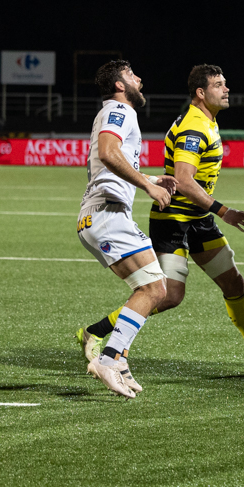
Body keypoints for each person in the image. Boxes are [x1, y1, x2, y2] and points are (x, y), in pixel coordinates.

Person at [77, 64, 244, 375]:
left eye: (225, 83)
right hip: (173, 219)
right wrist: (224, 211)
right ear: (201, 92)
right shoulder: (193, 127)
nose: (226, 89)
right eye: (218, 85)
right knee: (167, 294)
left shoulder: (207, 121)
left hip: (197, 218)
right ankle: (97, 331)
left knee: (233, 282)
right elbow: (184, 180)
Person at [74, 60, 173, 398]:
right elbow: (107, 152)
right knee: (154, 289)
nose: (139, 79)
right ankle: (108, 359)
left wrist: (151, 177)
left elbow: (113, 161)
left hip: (102, 216)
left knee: (152, 289)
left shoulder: (114, 112)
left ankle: (118, 360)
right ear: (119, 84)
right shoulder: (120, 110)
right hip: (107, 215)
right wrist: (149, 187)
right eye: (132, 75)